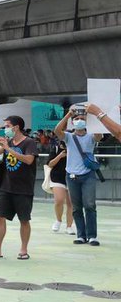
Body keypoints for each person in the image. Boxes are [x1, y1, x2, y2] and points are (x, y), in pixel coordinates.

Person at [0, 115, 39, 260]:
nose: (5, 129)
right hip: (6, 186)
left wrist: (8, 149)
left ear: (16, 127)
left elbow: (29, 160)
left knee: (24, 219)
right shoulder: (9, 141)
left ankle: (23, 250)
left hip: (24, 187)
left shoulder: (29, 142)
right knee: (0, 217)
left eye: (7, 126)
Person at [56, 104, 104, 246]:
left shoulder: (91, 136)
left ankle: (92, 236)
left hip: (88, 174)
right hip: (71, 175)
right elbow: (57, 131)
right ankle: (81, 235)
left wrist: (94, 118)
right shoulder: (69, 137)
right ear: (72, 122)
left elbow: (99, 136)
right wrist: (68, 115)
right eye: (76, 119)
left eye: (82, 119)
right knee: (76, 207)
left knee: (89, 205)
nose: (79, 121)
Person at [47, 141, 73, 235]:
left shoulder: (74, 148)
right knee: (59, 200)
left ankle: (69, 226)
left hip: (72, 177)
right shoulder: (56, 148)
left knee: (71, 203)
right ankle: (58, 220)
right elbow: (50, 164)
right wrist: (60, 156)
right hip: (57, 177)